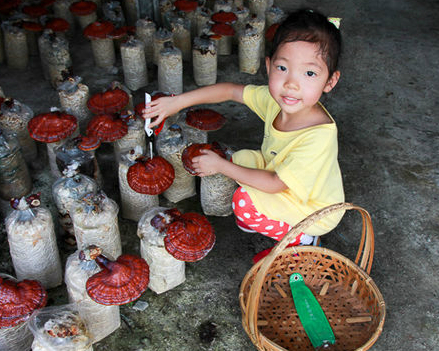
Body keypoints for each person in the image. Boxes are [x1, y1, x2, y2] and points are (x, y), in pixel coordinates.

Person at [143, 9, 345, 262]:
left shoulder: (318, 137)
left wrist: (219, 166)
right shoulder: (279, 100)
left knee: (243, 203)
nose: (292, 83)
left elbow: (274, 183)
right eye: (283, 68)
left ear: (330, 81)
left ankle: (303, 239)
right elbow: (230, 91)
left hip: (316, 209)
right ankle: (272, 221)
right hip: (287, 181)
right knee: (240, 159)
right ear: (269, 66)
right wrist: (177, 102)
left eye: (310, 74)